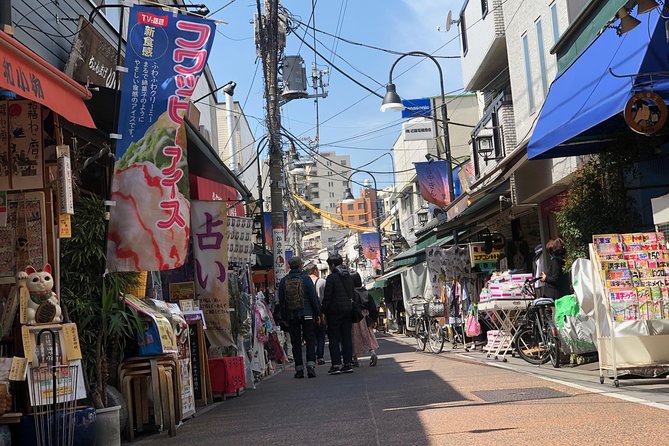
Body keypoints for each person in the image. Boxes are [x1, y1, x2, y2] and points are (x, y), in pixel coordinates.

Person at [277, 256, 321, 378]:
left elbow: (281, 301)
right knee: (310, 340)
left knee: (296, 342)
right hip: (307, 314)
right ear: (300, 266)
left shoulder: (284, 280)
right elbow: (313, 298)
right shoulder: (306, 279)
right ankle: (311, 366)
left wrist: (285, 317)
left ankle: (299, 369)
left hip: (292, 315)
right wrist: (317, 314)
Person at [321, 254, 355, 375]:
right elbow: (352, 294)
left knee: (334, 338)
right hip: (348, 311)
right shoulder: (349, 277)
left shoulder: (331, 278)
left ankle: (336, 365)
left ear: (333, 265)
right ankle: (347, 364)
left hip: (334, 312)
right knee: (347, 337)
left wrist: (323, 311)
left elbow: (327, 297)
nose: (329, 267)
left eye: (330, 265)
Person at [350, 272, 379, 367]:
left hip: (355, 318)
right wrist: (374, 319)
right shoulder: (366, 292)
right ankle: (372, 352)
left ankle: (355, 358)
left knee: (354, 337)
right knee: (368, 336)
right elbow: (372, 307)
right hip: (365, 317)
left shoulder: (351, 293)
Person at [307, 263, 327, 365]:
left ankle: (311, 358)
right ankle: (320, 356)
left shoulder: (305, 281)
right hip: (321, 311)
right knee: (321, 335)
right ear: (315, 270)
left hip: (308, 312)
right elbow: (326, 298)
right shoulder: (322, 282)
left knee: (310, 336)